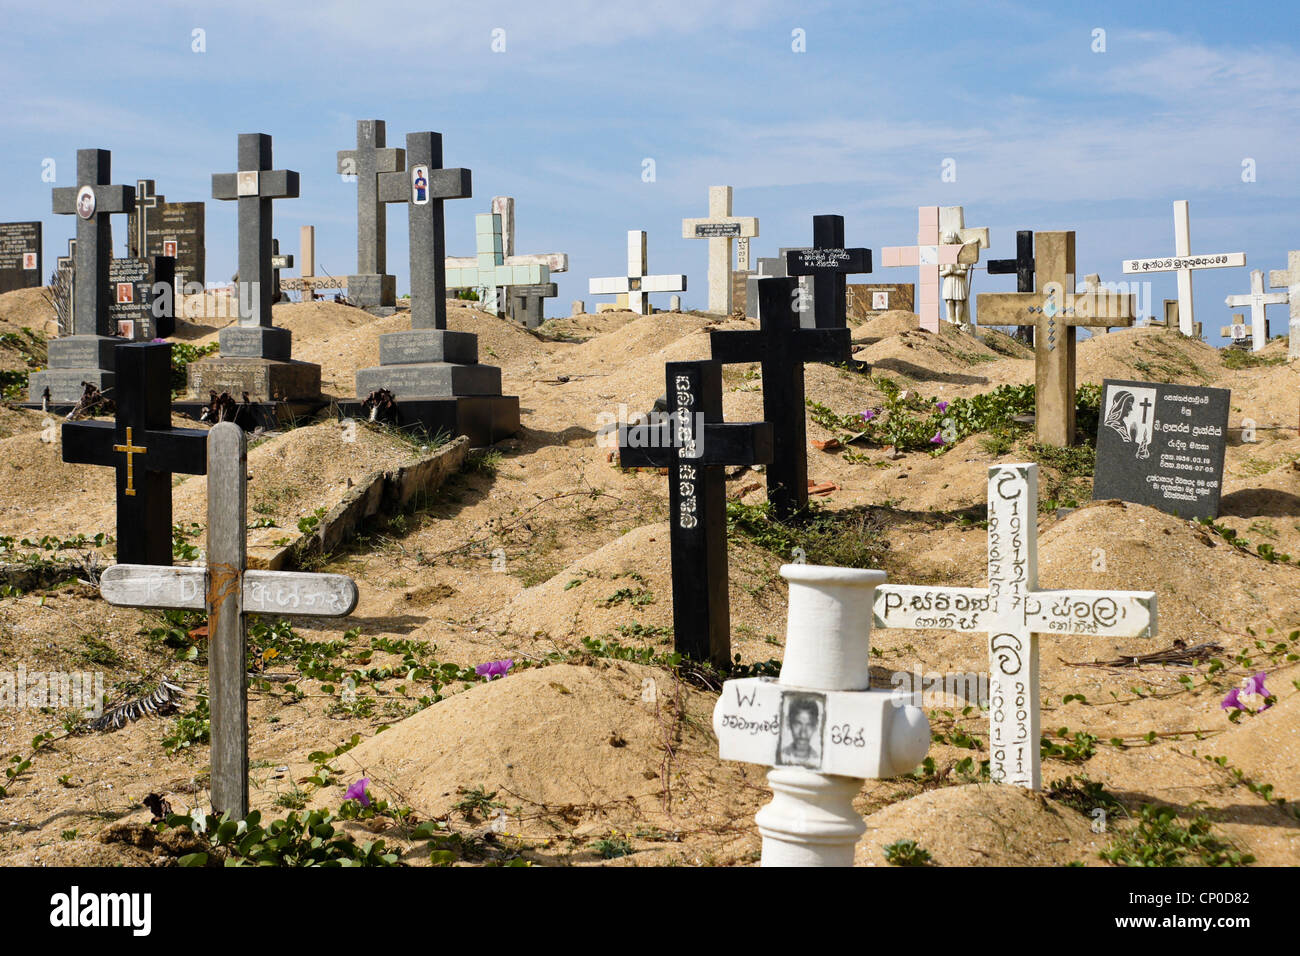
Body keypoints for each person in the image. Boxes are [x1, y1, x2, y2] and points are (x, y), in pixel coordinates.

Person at [780, 695, 822, 768]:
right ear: (788, 722)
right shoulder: (781, 756)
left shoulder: (819, 760)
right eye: (798, 724)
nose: (803, 734)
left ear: (816, 725)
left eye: (809, 725)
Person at [940, 230, 972, 325]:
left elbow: (964, 272)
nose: (949, 245)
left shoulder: (961, 255)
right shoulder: (944, 256)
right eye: (947, 243)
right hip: (948, 280)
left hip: (958, 280)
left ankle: (958, 320)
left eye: (951, 243)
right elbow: (940, 273)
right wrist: (948, 271)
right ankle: (950, 319)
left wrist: (955, 271)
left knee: (958, 301)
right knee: (949, 301)